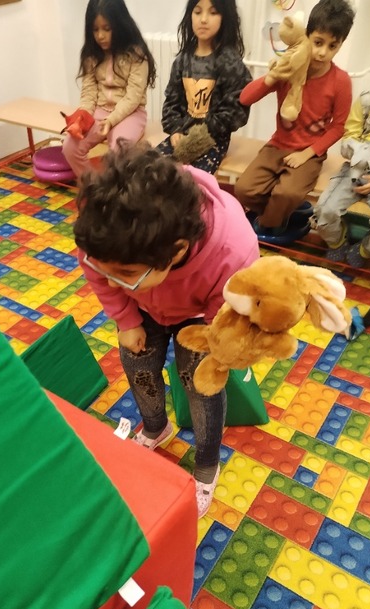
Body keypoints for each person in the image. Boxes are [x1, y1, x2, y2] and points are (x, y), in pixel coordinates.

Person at [73, 141, 259, 518]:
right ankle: (156, 428)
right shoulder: (106, 232)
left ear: (176, 251)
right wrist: (125, 319)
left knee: (201, 384)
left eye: (125, 273)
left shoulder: (234, 252)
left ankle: (207, 463)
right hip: (144, 306)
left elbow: (226, 323)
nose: (110, 278)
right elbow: (98, 272)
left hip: (205, 315)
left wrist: (214, 349)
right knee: (138, 364)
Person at [234, 0, 356, 243]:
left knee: (285, 194)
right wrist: (272, 77)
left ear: (341, 45)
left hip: (309, 153)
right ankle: (281, 213)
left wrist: (307, 153)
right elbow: (245, 98)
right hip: (278, 144)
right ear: (306, 36)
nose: (323, 52)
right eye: (318, 42)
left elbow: (338, 127)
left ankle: (272, 221)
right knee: (244, 190)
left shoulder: (341, 81)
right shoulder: (290, 68)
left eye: (333, 46)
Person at [62, 0, 156, 178]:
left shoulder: (136, 54)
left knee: (117, 154)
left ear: (120, 25)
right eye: (95, 30)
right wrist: (82, 117)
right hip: (100, 111)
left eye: (107, 29)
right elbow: (89, 92)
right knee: (70, 147)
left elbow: (133, 97)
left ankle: (113, 191)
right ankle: (94, 187)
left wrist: (111, 121)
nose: (100, 36)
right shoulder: (91, 54)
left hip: (130, 114)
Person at [158, 0, 252, 174]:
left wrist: (201, 134)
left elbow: (236, 110)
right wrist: (175, 130)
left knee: (191, 179)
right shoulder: (182, 61)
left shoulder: (230, 62)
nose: (203, 19)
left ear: (225, 17)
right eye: (198, 12)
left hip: (213, 139)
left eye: (213, 12)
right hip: (181, 134)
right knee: (151, 169)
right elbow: (171, 102)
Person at [312, 86, 370, 267]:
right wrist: (358, 152)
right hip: (357, 165)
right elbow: (350, 134)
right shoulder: (369, 97)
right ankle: (338, 241)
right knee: (325, 211)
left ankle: (366, 249)